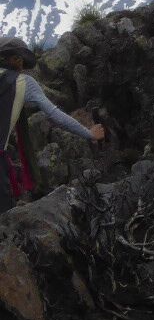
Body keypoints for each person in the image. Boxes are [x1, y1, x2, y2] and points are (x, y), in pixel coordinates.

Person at [1, 36, 104, 209]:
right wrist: (89, 133)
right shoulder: (23, 83)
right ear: (16, 59)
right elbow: (55, 115)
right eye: (22, 63)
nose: (22, 69)